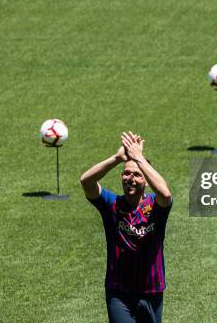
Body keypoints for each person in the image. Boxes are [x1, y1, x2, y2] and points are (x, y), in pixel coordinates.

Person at [80, 131, 173, 323]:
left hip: (152, 290)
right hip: (119, 292)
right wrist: (116, 158)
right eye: (126, 173)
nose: (130, 178)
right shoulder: (111, 205)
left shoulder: (156, 206)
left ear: (146, 180)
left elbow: (165, 193)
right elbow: (86, 181)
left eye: (137, 174)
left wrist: (139, 158)